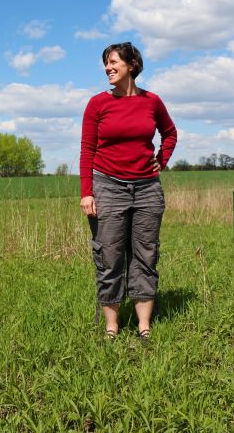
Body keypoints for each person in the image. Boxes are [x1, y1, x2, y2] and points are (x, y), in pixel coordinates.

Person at [80, 42, 177, 341]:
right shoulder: (97, 104)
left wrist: (161, 160)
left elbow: (170, 132)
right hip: (108, 186)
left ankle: (144, 326)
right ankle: (112, 327)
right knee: (109, 257)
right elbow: (87, 149)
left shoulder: (152, 101)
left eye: (113, 62)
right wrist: (87, 192)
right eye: (106, 64)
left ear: (132, 64)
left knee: (145, 256)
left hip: (147, 188)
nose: (108, 68)